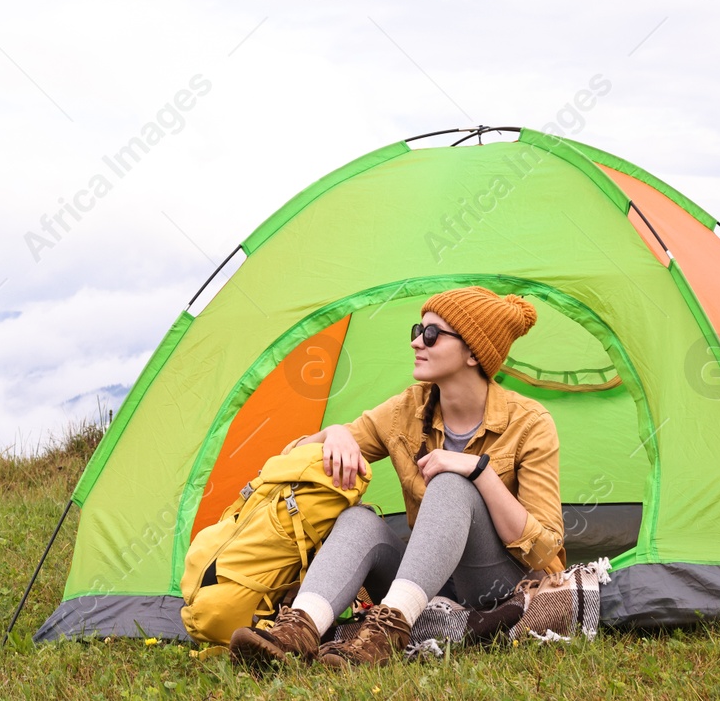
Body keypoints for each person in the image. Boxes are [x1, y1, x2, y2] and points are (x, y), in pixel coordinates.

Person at [229, 286, 564, 667]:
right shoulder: (408, 409)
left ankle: (384, 636)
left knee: (453, 485)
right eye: (416, 331)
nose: (417, 342)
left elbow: (547, 550)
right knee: (359, 520)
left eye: (432, 334)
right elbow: (289, 459)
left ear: (473, 352)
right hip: (427, 586)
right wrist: (333, 433)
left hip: (497, 586)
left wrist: (479, 472)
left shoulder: (530, 423)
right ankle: (296, 634)